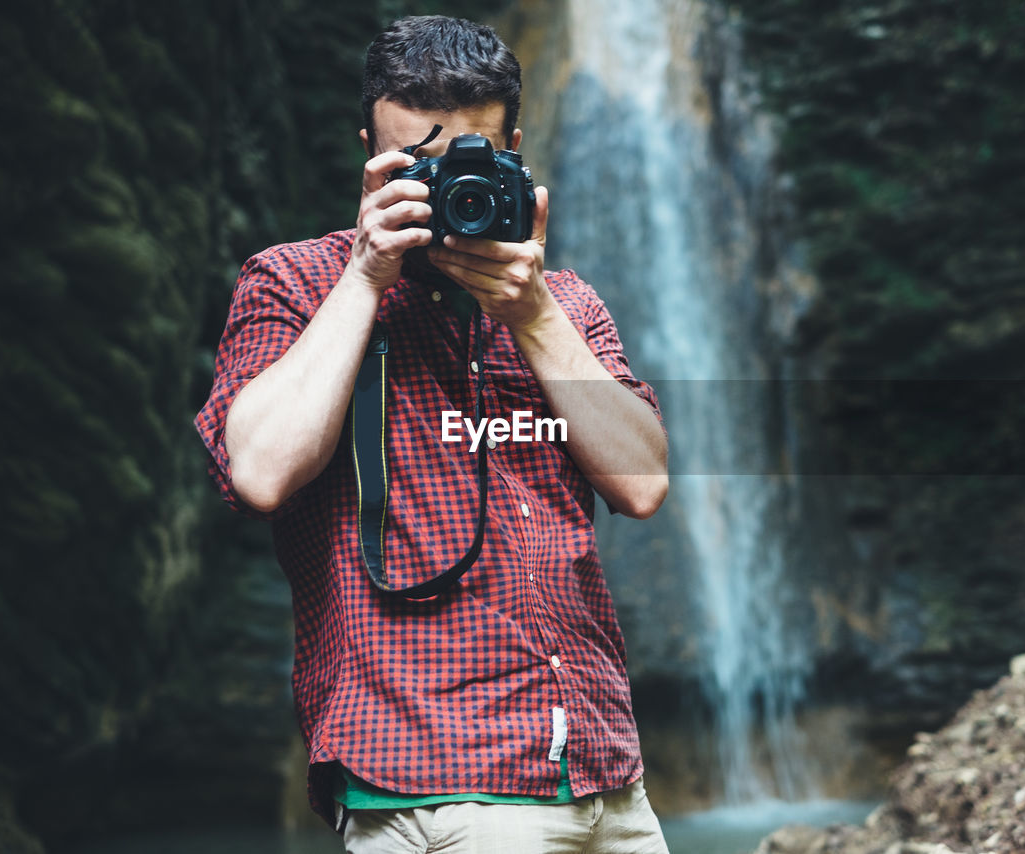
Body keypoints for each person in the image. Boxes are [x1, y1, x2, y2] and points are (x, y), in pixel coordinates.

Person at [195, 14, 670, 854]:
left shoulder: (564, 305)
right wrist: (368, 273)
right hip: (437, 775)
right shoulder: (296, 282)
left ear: (515, 150)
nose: (446, 185)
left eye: (470, 161)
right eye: (415, 163)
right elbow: (260, 472)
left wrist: (530, 313)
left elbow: (642, 483)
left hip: (606, 776)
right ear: (368, 152)